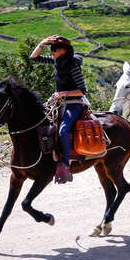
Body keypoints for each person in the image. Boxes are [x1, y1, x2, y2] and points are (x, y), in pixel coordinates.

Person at [30, 35, 88, 183]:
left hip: (74, 103)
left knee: (63, 130)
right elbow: (34, 57)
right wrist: (42, 43)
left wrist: (63, 93)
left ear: (63, 51)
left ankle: (65, 165)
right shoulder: (57, 61)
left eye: (54, 49)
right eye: (51, 49)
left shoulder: (73, 66)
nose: (52, 52)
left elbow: (82, 90)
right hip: (59, 103)